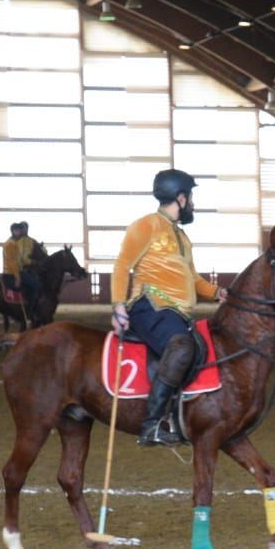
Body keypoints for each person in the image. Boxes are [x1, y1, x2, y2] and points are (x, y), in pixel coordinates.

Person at [110, 168, 225, 447]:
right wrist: (118, 306)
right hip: (149, 307)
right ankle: (152, 425)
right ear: (181, 198)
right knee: (182, 347)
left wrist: (218, 293)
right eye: (191, 197)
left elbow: (194, 279)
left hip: (177, 313)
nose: (192, 203)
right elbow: (122, 265)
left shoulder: (182, 237)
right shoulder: (146, 225)